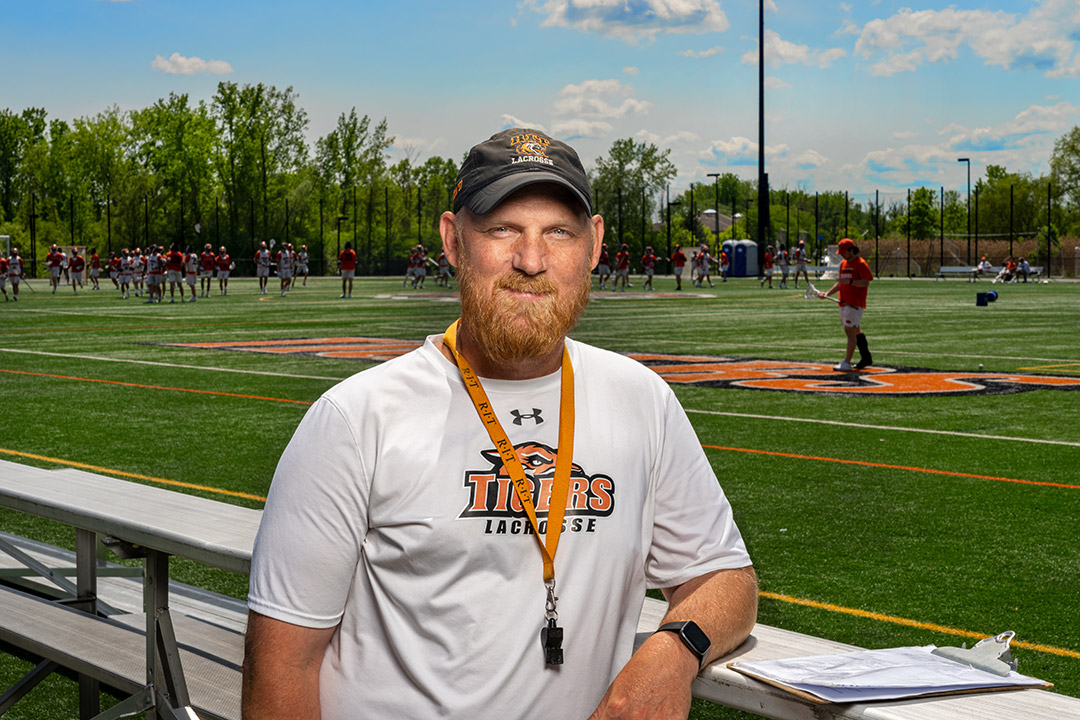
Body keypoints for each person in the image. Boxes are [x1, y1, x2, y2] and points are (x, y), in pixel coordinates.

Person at [243, 127, 757, 720]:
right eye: (502, 229)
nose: (531, 261)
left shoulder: (642, 399)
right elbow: (280, 671)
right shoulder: (355, 420)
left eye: (557, 233)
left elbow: (724, 577)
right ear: (453, 241)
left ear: (592, 246)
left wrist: (672, 653)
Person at [819, 237, 873, 371]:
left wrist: (850, 282)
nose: (842, 254)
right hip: (843, 301)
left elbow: (866, 282)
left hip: (854, 302)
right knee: (855, 330)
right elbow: (840, 283)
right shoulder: (843, 263)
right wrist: (828, 293)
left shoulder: (861, 263)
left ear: (851, 250)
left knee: (850, 332)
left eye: (844, 251)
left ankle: (846, 362)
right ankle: (866, 357)